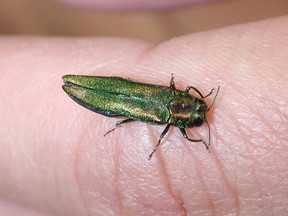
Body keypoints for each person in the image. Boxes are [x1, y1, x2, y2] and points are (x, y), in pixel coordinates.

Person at [0, 0, 287, 215]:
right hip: (123, 97)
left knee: (120, 109)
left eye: (198, 109)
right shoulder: (168, 110)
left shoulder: (170, 96)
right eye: (201, 105)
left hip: (129, 100)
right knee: (119, 105)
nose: (200, 110)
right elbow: (188, 124)